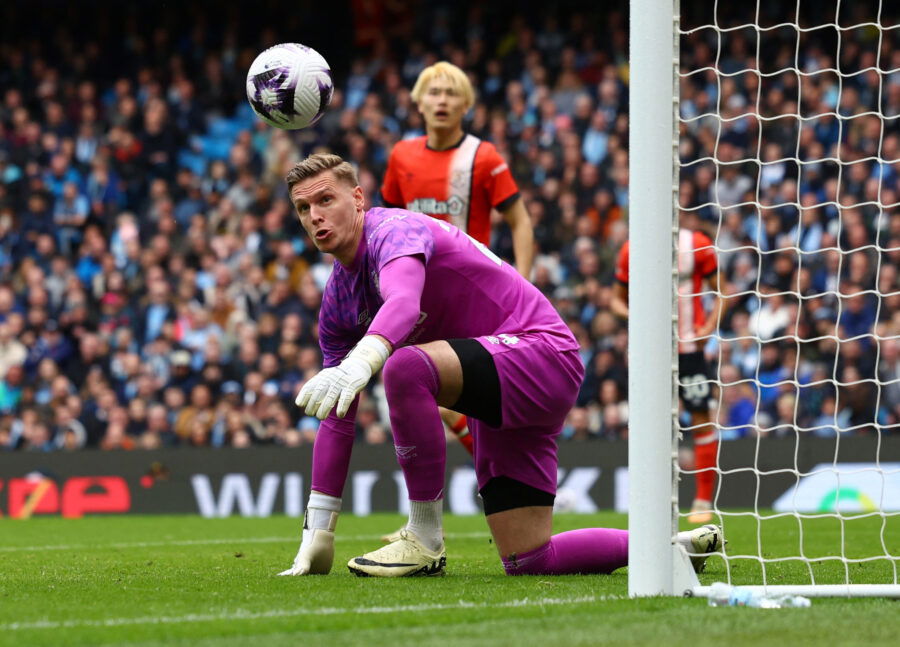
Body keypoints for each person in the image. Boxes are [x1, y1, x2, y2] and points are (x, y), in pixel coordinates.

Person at [277, 154, 721, 577]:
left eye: (325, 200)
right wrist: (319, 530)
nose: (314, 215)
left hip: (540, 352)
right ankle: (670, 548)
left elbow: (404, 302)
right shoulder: (337, 300)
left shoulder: (392, 229)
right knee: (529, 559)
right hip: (498, 388)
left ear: (357, 198)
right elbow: (337, 413)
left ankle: (424, 536)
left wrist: (363, 358)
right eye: (302, 208)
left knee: (404, 368)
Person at [379, 61, 535, 469]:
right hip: (420, 299)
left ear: (466, 104)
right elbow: (388, 225)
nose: (442, 101)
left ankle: (505, 478)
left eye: (451, 93)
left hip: (474, 296)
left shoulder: (482, 157)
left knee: (464, 400)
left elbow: (520, 221)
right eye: (434, 92)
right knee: (428, 398)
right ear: (418, 102)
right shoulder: (401, 156)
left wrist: (522, 280)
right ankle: (477, 489)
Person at [611, 215, 726, 524]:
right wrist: (636, 315)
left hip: (689, 349)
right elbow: (616, 301)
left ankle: (703, 499)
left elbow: (722, 292)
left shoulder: (697, 245)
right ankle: (654, 502)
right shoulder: (631, 250)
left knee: (701, 418)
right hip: (650, 352)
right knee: (650, 425)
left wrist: (709, 326)